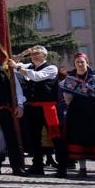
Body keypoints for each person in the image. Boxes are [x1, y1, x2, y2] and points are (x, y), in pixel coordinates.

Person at [60, 52, 95, 179]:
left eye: (82, 62)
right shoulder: (70, 78)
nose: (80, 64)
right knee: (78, 138)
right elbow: (67, 96)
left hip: (94, 110)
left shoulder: (94, 77)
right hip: (77, 111)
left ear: (87, 62)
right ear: (74, 64)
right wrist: (74, 107)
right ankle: (82, 169)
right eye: (77, 62)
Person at [14, 45, 66, 176]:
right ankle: (37, 165)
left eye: (37, 53)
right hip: (32, 106)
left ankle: (62, 167)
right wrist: (23, 53)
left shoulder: (51, 68)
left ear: (44, 55)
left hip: (48, 107)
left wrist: (18, 67)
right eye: (33, 54)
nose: (34, 56)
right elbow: (11, 62)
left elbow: (37, 76)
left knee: (56, 137)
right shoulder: (29, 66)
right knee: (34, 137)